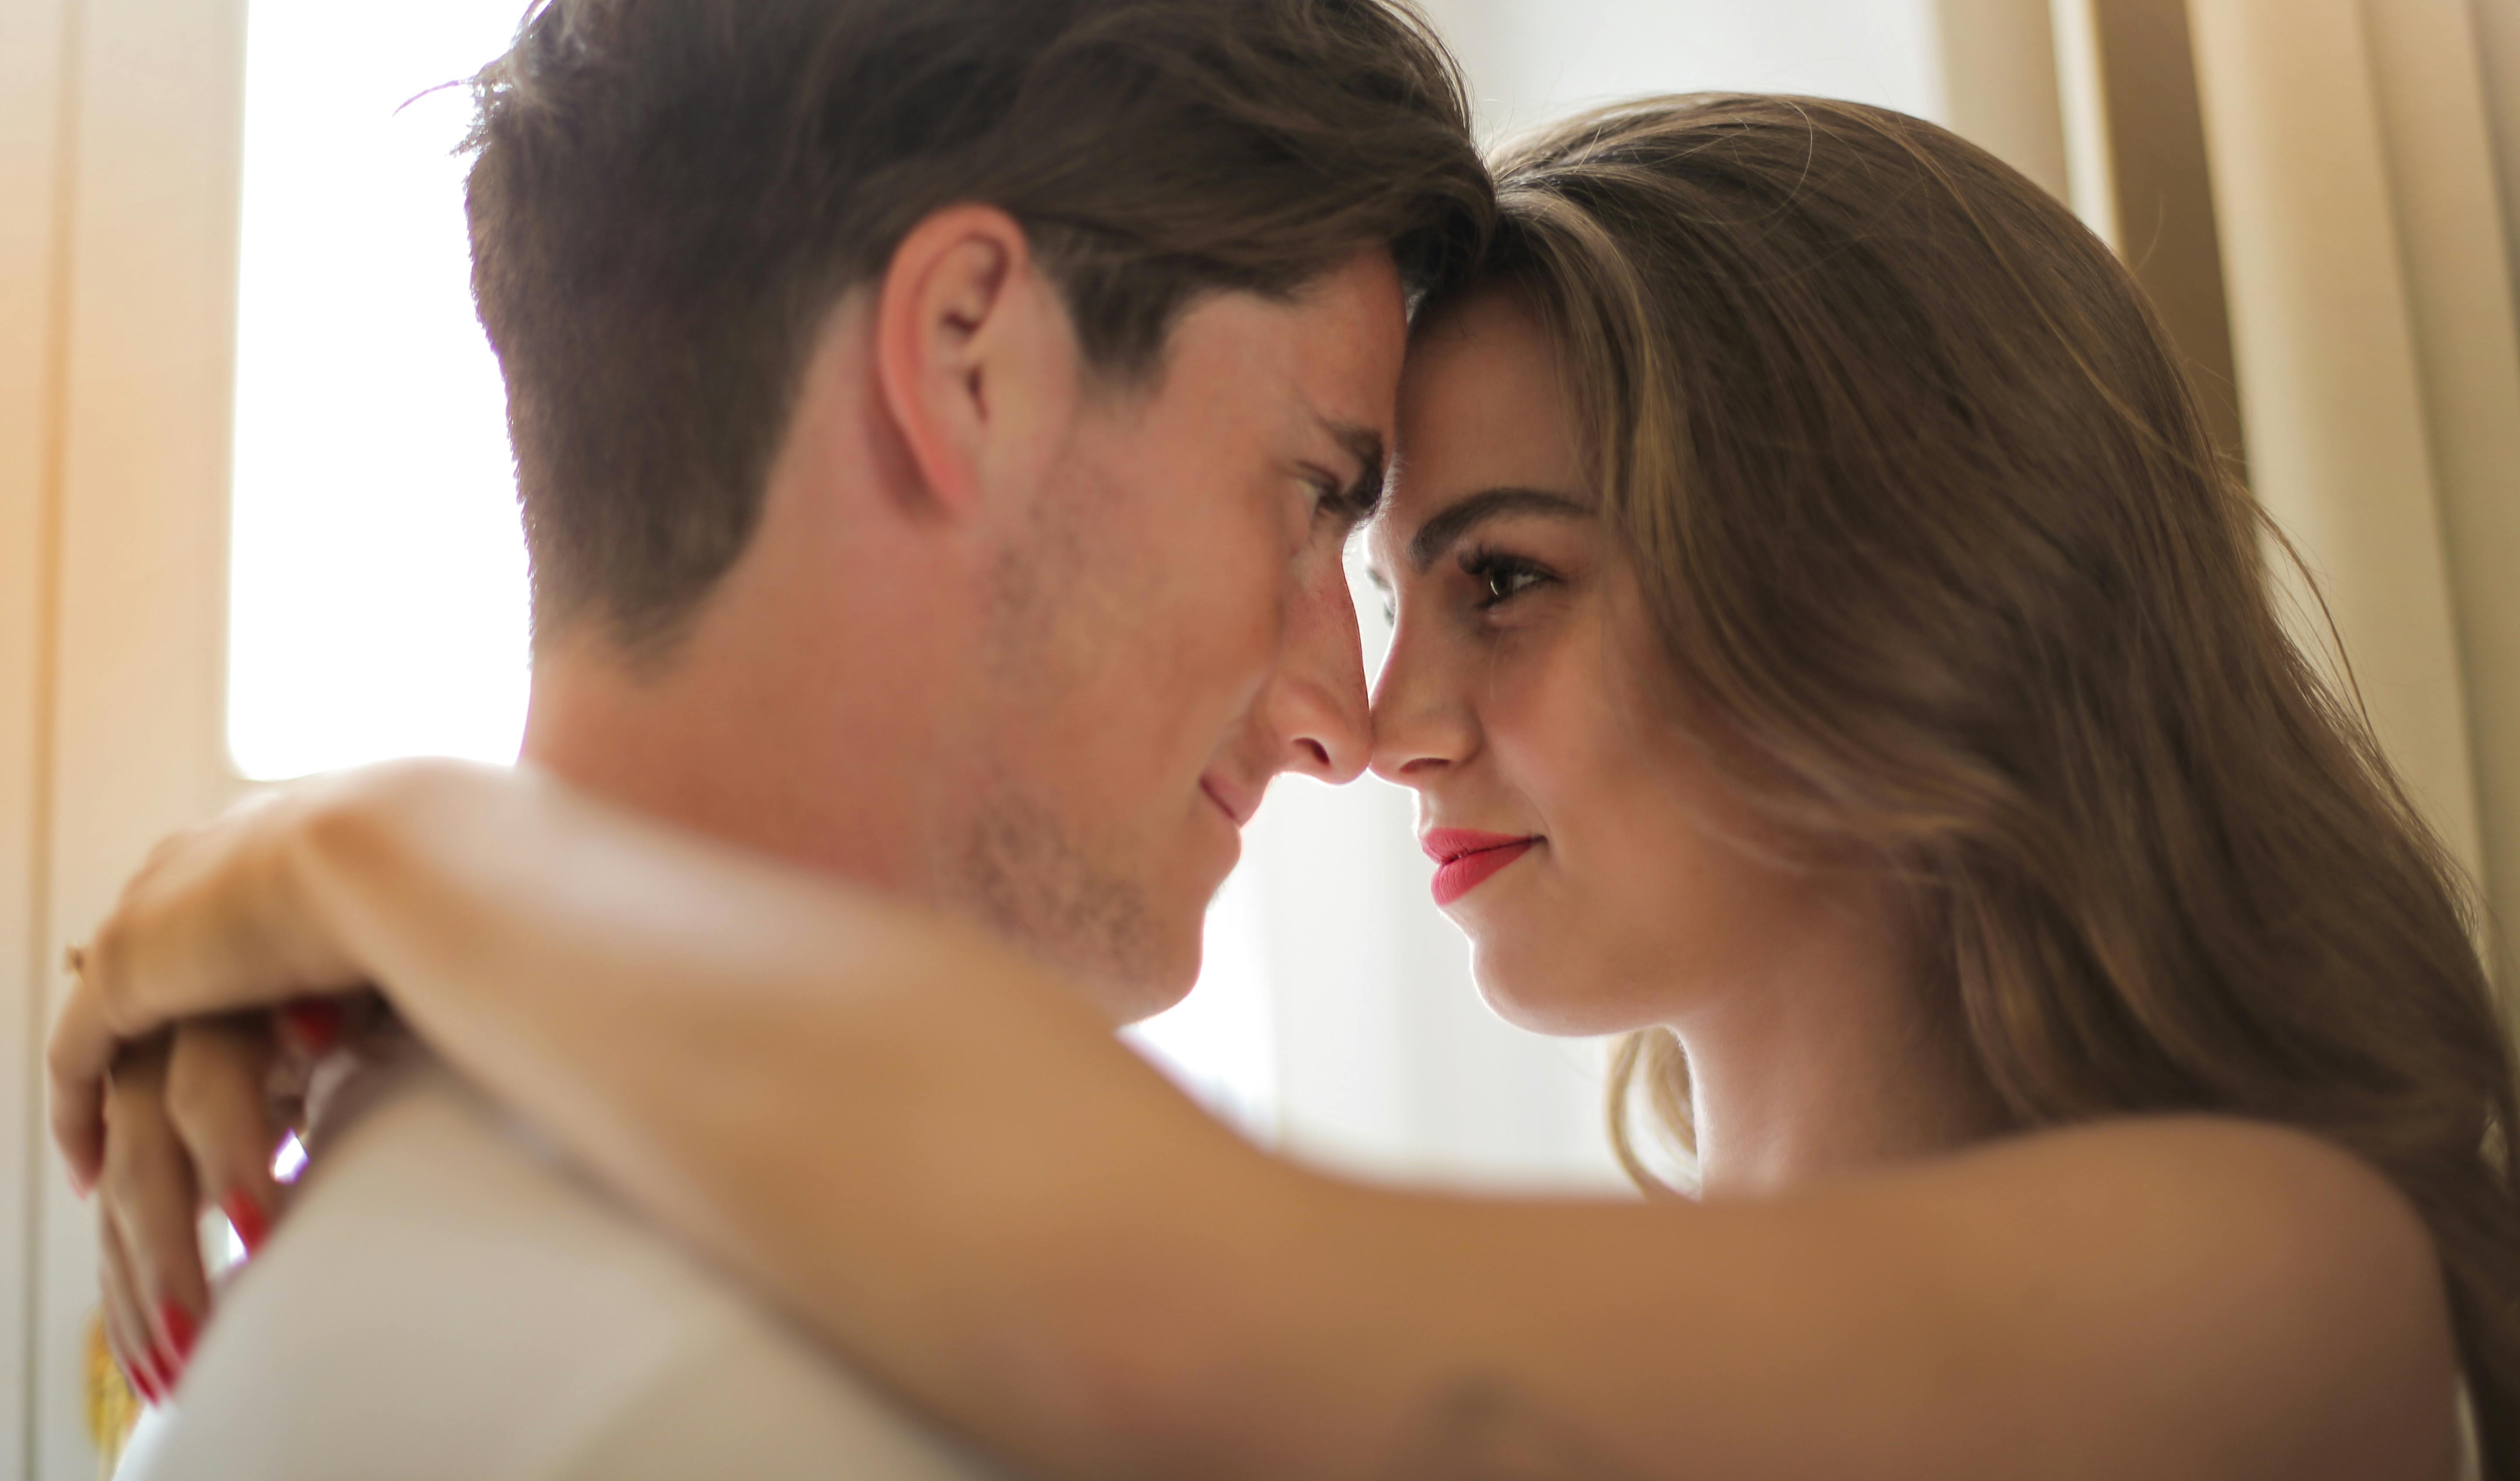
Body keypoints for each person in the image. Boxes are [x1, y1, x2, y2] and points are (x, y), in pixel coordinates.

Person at [64, 91, 2518, 1477]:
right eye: (1365, 545)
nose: (1387, 726)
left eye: (1511, 583)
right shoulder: (1608, 1314)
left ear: (1893, 576)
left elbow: (1176, 1302)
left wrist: (377, 846)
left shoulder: (2274, 1280)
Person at [63, 0, 1491, 1477]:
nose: (1345, 718)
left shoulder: (442, 1266)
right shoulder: (755, 1405)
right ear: (970, 357)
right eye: (1316, 492)